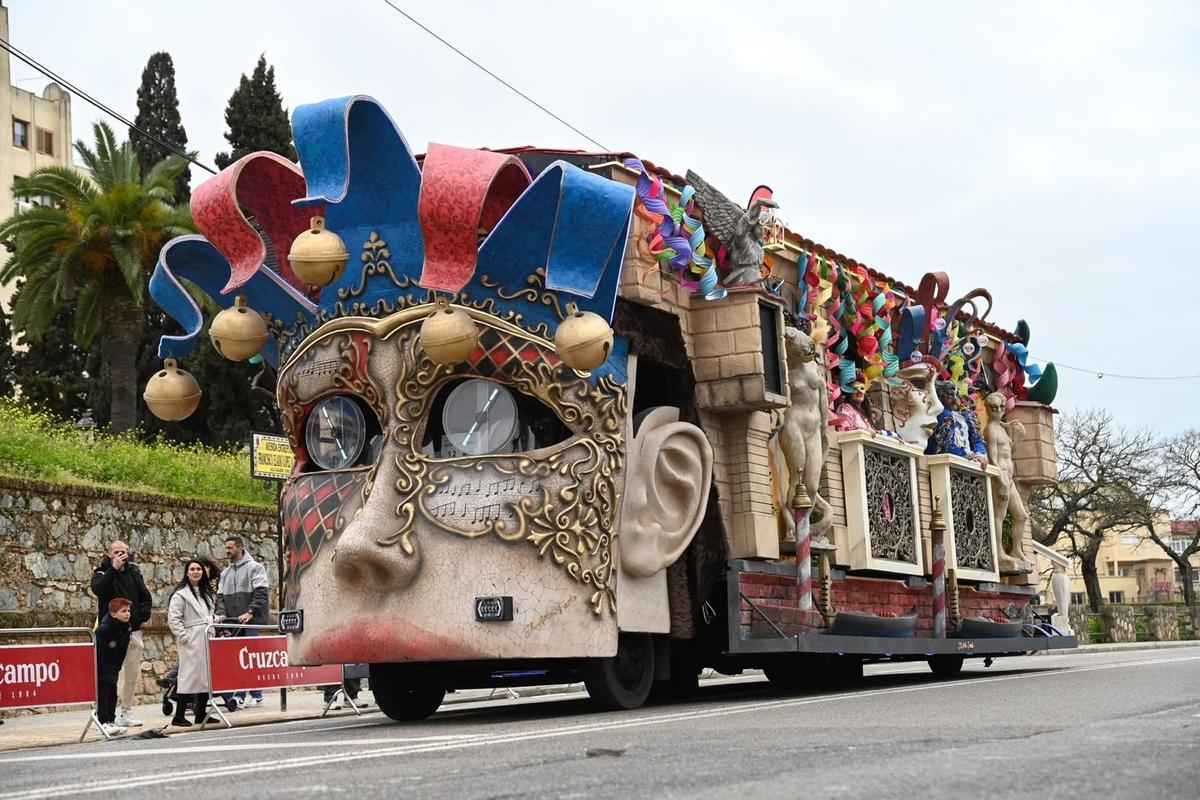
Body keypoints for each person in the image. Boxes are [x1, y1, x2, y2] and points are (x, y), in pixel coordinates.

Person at [90, 540, 152, 728]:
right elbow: (99, 590)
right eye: (116, 552)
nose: (121, 555)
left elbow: (145, 597)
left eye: (123, 552)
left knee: (132, 673)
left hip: (132, 631)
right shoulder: (101, 572)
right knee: (109, 674)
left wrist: (139, 618)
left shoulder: (133, 572)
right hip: (110, 633)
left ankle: (126, 711)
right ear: (110, 555)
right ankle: (106, 715)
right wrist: (113, 570)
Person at [215, 536, 270, 709]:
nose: (227, 551)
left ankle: (252, 695)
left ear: (240, 548)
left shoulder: (255, 568)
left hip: (250, 622)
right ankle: (248, 694)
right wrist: (222, 613)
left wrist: (250, 611)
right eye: (226, 548)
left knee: (249, 659)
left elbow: (261, 592)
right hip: (233, 622)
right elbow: (220, 597)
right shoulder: (225, 573)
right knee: (237, 660)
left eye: (230, 548)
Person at [166, 559, 218, 727]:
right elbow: (174, 619)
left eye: (198, 569)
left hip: (205, 636)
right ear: (187, 572)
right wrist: (184, 637)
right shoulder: (180, 594)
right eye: (192, 569)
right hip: (192, 638)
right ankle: (179, 715)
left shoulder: (206, 594)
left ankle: (200, 714)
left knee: (205, 677)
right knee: (188, 676)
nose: (196, 572)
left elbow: (208, 614)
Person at [95, 597, 132, 736]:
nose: (127, 613)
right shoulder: (104, 630)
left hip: (113, 667)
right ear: (113, 614)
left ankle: (111, 720)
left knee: (112, 695)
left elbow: (122, 651)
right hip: (102, 668)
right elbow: (99, 653)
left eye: (128, 610)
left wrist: (116, 667)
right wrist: (102, 669)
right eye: (123, 611)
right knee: (103, 695)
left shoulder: (125, 628)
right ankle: (103, 722)